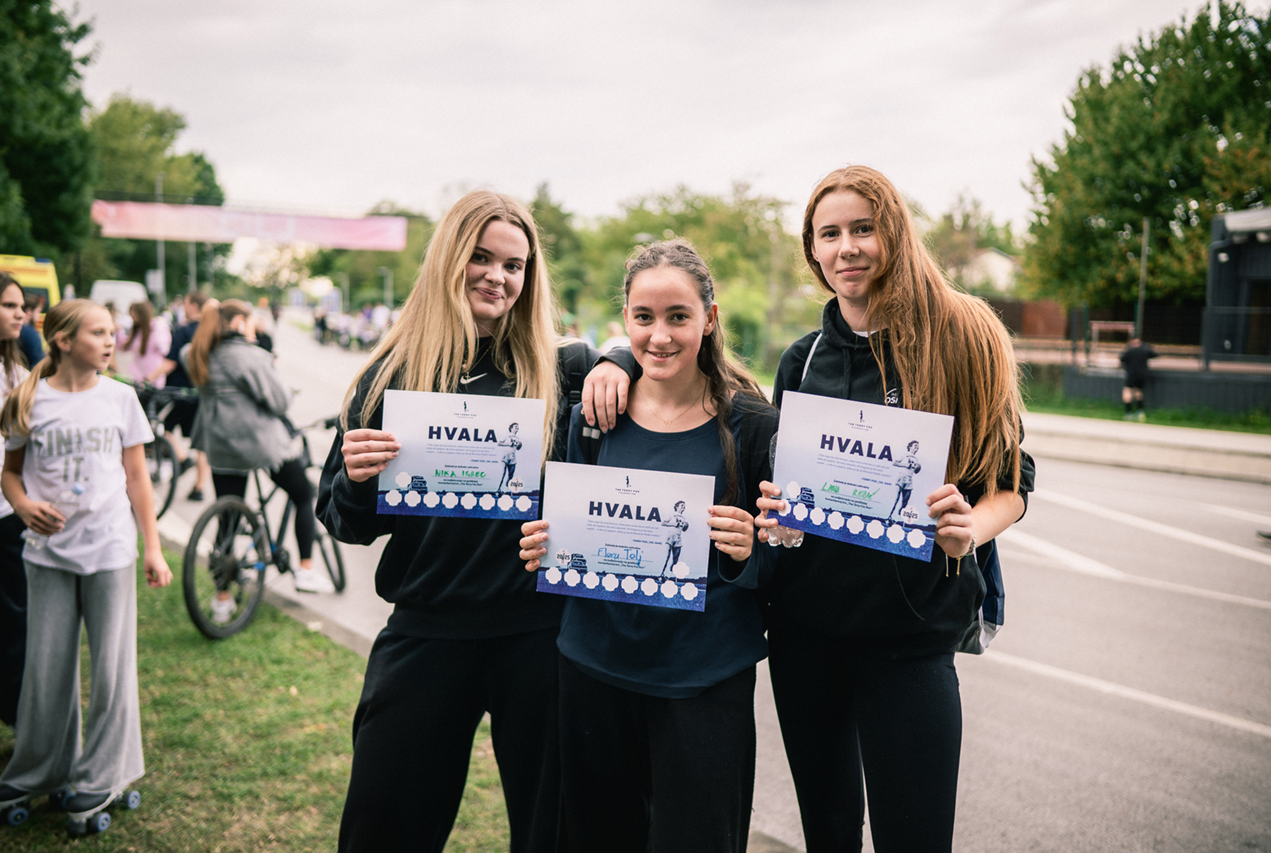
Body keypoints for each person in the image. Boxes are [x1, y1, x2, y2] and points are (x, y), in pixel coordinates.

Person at [315, 190, 633, 852]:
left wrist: (621, 357)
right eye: (481, 258)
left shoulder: (563, 368)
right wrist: (358, 478)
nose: (498, 276)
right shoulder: (389, 376)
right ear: (448, 260)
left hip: (538, 636)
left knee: (555, 832)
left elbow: (661, 387)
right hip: (427, 630)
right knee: (382, 825)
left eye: (514, 265)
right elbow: (345, 522)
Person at [753, 166, 1035, 853]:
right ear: (812, 251)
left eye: (862, 228)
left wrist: (973, 526)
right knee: (828, 833)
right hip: (805, 638)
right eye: (830, 234)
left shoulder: (964, 335)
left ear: (895, 235)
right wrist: (779, 523)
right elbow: (786, 499)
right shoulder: (803, 358)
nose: (847, 246)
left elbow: (1012, 482)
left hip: (911, 641)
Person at [519, 239, 778, 852]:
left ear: (709, 319)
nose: (659, 336)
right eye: (644, 318)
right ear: (625, 321)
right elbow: (552, 512)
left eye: (678, 317)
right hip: (593, 670)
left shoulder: (751, 425)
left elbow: (789, 558)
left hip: (704, 681)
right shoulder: (592, 415)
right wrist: (539, 539)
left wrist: (750, 551)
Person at [0, 299, 171, 828]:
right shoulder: (30, 398)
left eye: (112, 332)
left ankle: (103, 776)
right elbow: (11, 474)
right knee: (45, 667)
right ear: (64, 340)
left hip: (110, 549)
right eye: (98, 332)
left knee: (113, 669)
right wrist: (22, 506)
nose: (111, 341)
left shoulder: (121, 398)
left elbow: (138, 479)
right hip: (46, 554)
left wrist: (153, 547)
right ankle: (38, 771)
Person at [186, 299, 336, 609]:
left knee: (227, 517)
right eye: (252, 321)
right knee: (302, 493)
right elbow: (280, 402)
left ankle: (222, 598)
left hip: (220, 447)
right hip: (259, 445)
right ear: (239, 323)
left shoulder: (196, 352)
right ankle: (305, 569)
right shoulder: (250, 357)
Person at [0, 271, 28, 729]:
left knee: (13, 621)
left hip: (5, 514)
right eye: (9, 305)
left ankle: (18, 719)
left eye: (22, 306)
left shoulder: (16, 374)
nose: (20, 313)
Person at [145, 290, 209, 500]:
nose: (184, 307)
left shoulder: (185, 331)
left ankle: (182, 458)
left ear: (193, 306)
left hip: (182, 392)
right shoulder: (211, 330)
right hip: (204, 394)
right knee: (200, 443)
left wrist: (150, 377)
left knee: (166, 427)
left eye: (186, 303)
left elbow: (171, 362)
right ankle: (199, 488)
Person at [119, 301, 172, 388]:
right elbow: (124, 346)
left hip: (154, 378)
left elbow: (164, 349)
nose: (132, 317)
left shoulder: (156, 328)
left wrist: (159, 326)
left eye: (134, 314)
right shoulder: (136, 331)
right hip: (138, 377)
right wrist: (119, 331)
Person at [1119, 336, 1157, 421]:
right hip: (1142, 375)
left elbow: (1122, 359)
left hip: (1132, 374)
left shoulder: (1129, 351)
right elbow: (1154, 354)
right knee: (1138, 391)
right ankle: (1140, 412)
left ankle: (1129, 413)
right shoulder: (1145, 350)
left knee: (1127, 391)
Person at [17, 294, 44, 368]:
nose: (39, 316)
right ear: (29, 311)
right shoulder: (30, 333)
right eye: (38, 312)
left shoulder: (13, 330)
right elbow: (38, 363)